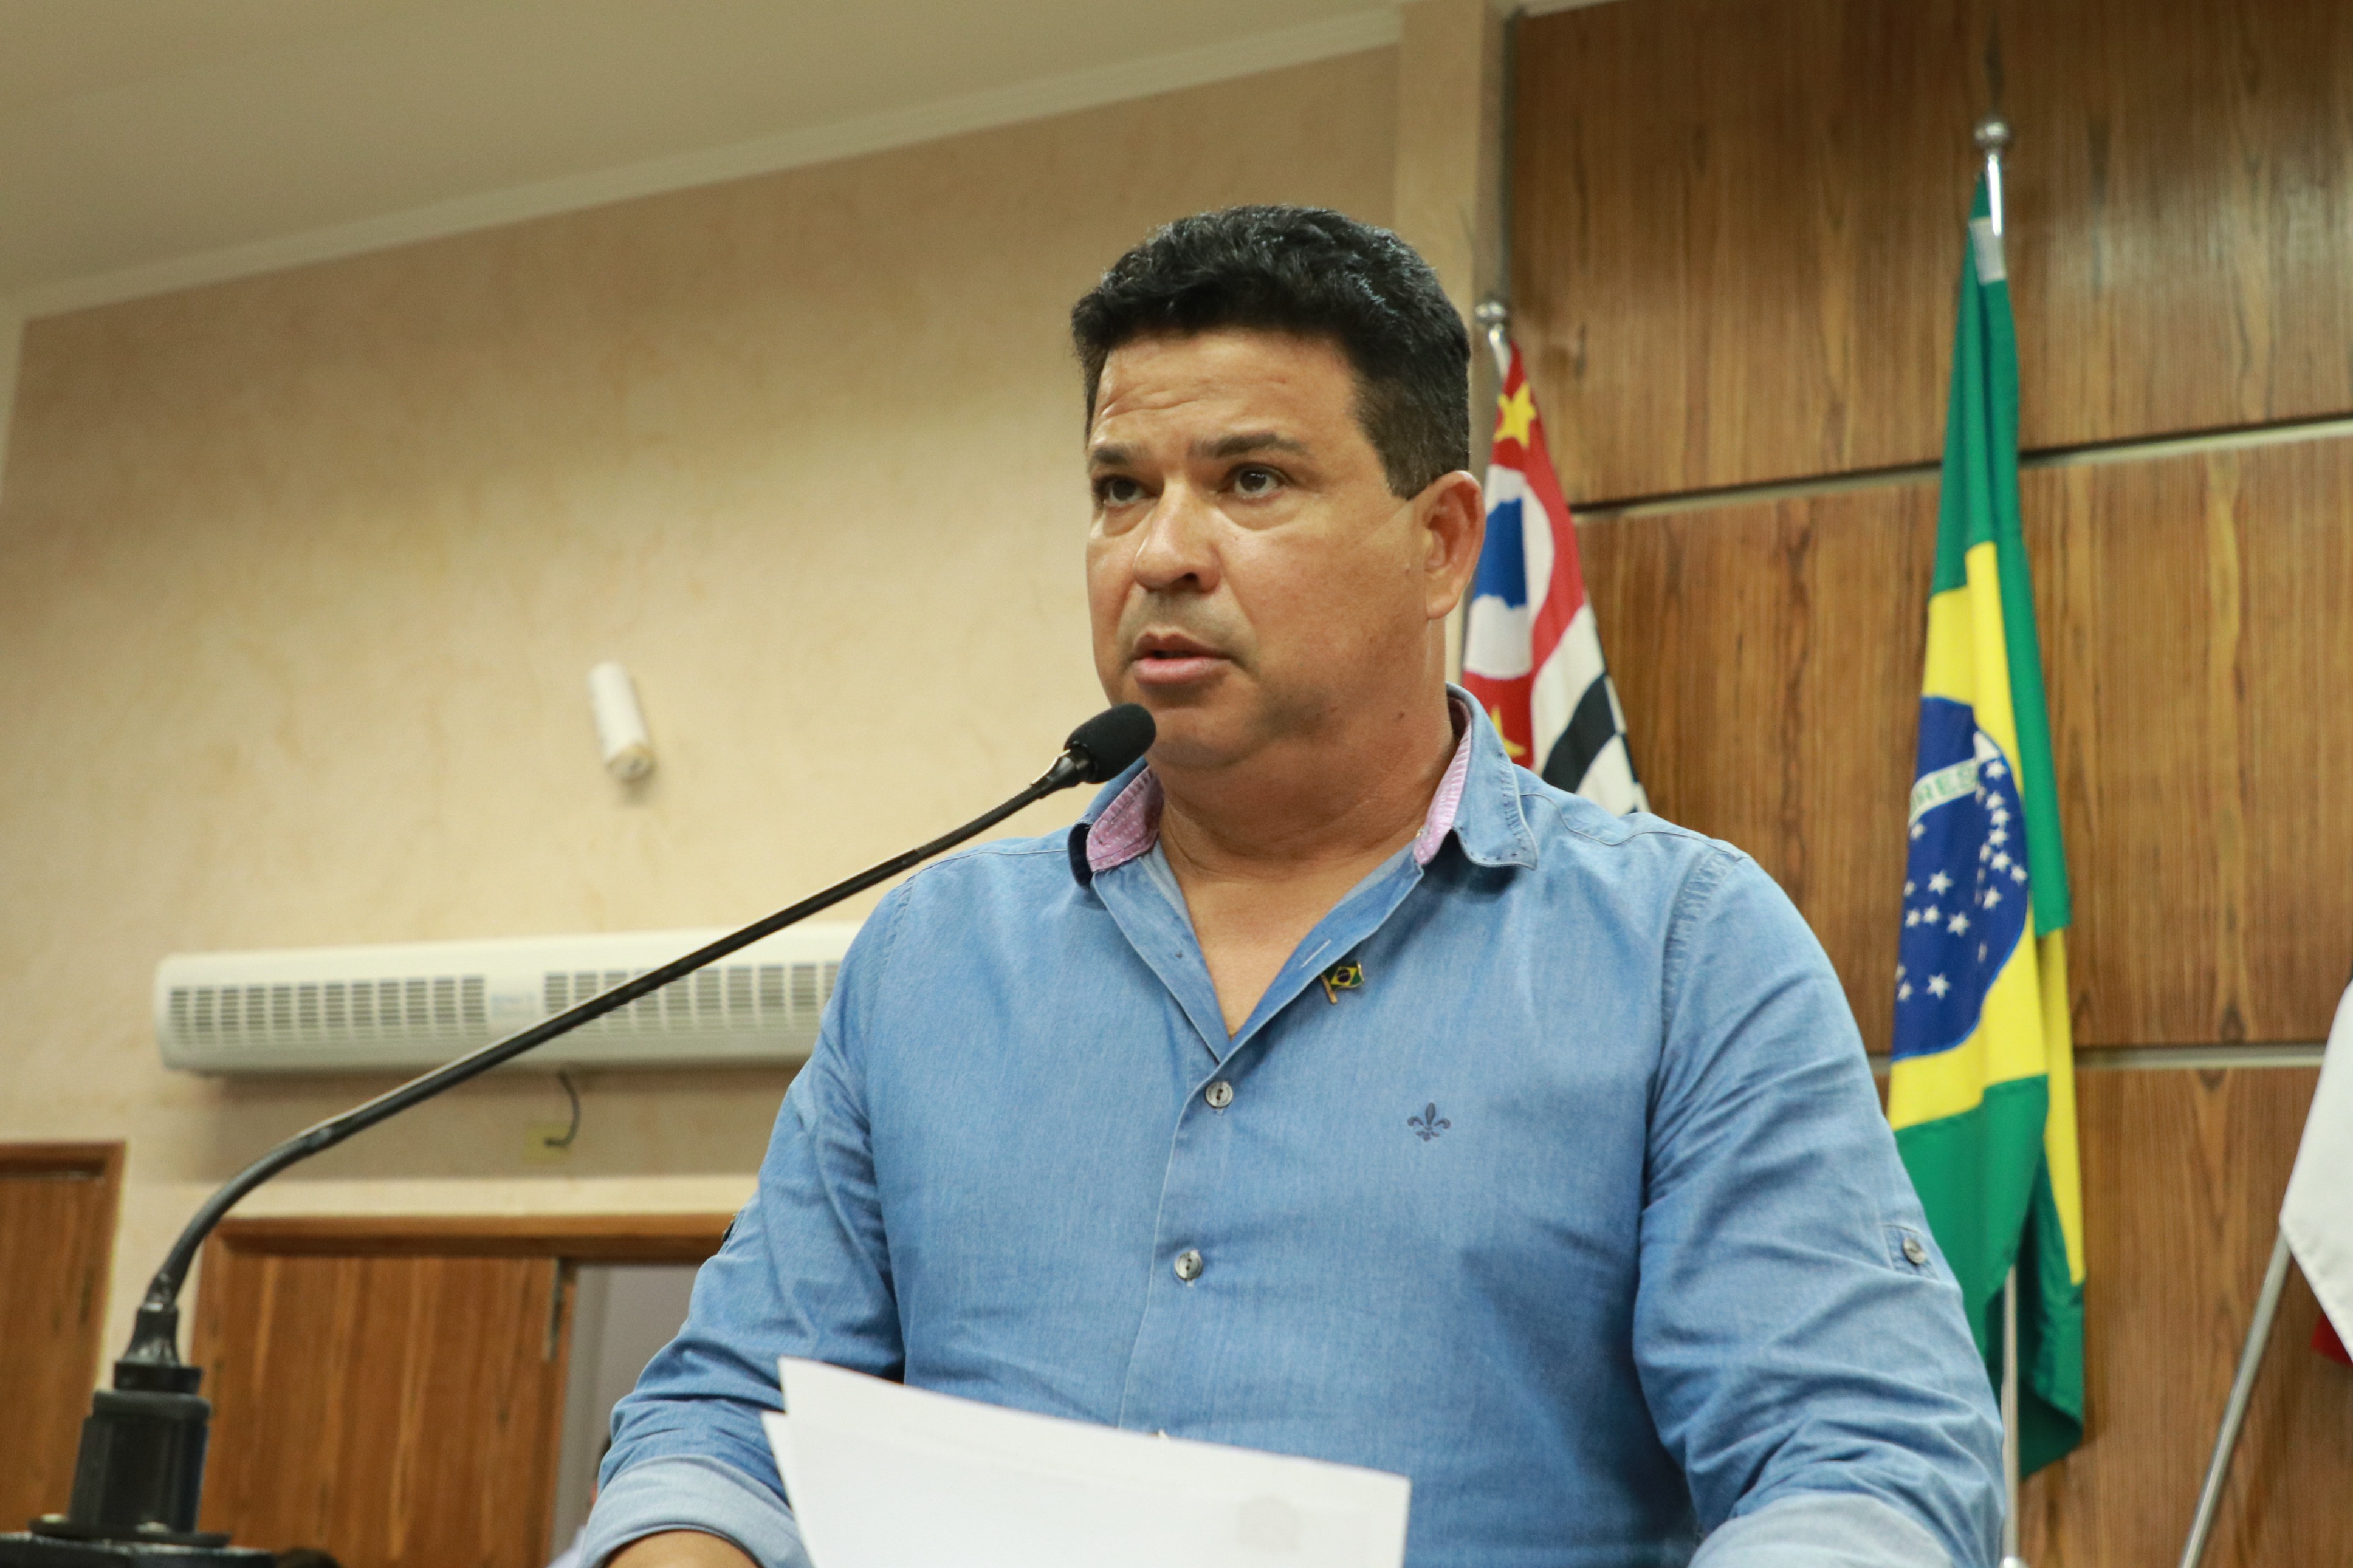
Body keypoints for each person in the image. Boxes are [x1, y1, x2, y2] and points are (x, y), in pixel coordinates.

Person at [581, 205, 2003, 1568]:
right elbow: (723, 1420)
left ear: (1440, 543)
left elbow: (1860, 1462)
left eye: (1250, 480)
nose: (1159, 552)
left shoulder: (1682, 952)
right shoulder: (933, 958)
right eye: (1119, 491)